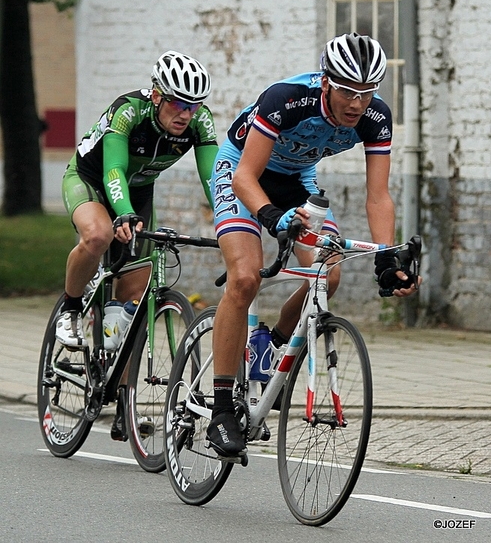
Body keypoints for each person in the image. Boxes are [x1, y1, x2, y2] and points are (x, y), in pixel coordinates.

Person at [207, 33, 420, 459]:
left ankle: (272, 345)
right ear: (326, 82)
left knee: (330, 272)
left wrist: (385, 256)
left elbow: (378, 196)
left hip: (297, 181)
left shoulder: (376, 117)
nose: (357, 103)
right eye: (347, 91)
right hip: (243, 172)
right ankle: (221, 409)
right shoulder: (286, 99)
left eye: (366, 92)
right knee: (245, 278)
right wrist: (269, 216)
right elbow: (244, 177)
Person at [55, 50, 218, 439]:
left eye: (193, 106)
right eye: (178, 103)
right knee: (98, 235)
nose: (186, 114)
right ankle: (72, 307)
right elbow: (114, 168)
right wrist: (123, 213)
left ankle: (123, 401)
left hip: (139, 194)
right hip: (92, 180)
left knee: (131, 305)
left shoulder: (200, 123)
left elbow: (214, 180)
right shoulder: (128, 110)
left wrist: (234, 222)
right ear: (158, 96)